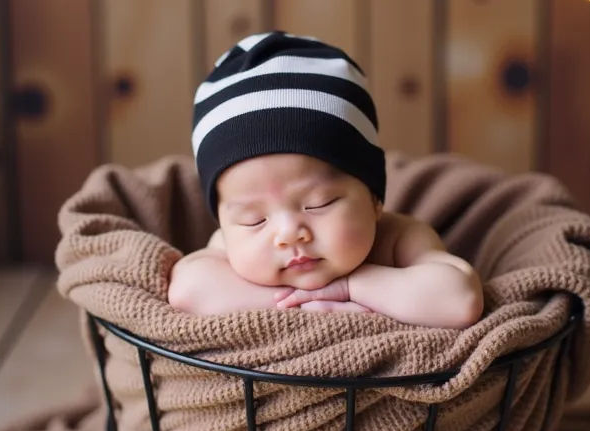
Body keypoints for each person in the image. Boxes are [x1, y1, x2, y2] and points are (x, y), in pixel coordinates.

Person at [168, 32, 483, 327]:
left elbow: (460, 299)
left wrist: (351, 287)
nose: (289, 234)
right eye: (254, 220)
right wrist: (304, 303)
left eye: (320, 203)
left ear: (374, 198)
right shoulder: (229, 248)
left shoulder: (398, 239)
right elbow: (187, 291)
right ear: (224, 222)